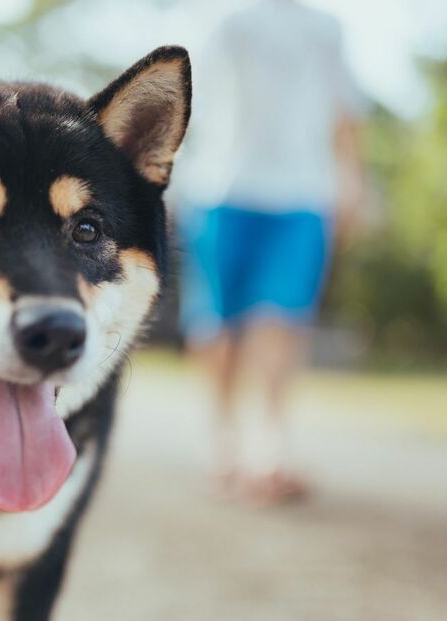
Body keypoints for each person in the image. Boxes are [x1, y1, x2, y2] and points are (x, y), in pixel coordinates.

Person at [173, 0, 365, 504]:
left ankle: (268, 443)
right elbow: (185, 99)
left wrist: (353, 182)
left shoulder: (328, 28)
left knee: (283, 316)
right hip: (222, 190)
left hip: (303, 193)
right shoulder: (224, 18)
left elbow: (346, 112)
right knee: (216, 321)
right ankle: (221, 431)